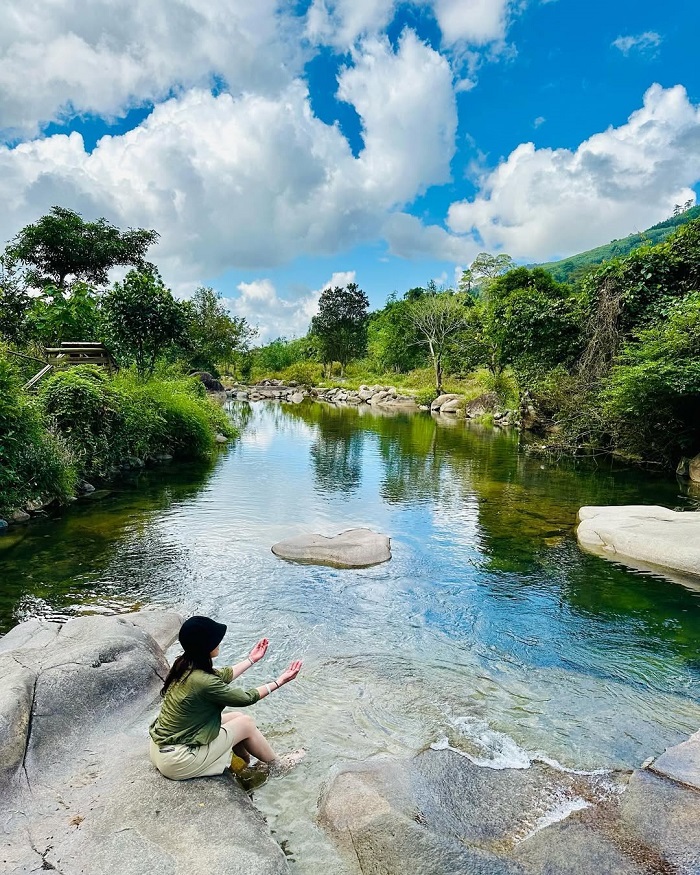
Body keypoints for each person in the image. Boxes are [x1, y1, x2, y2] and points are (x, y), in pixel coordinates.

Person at [149, 615, 304, 780]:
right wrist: (280, 681)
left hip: (160, 751)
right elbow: (245, 698)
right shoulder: (203, 681)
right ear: (205, 646)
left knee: (236, 718)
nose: (219, 642)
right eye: (215, 640)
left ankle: (244, 763)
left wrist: (252, 659)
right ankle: (278, 766)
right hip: (178, 761)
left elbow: (222, 675)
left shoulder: (184, 664)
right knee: (246, 723)